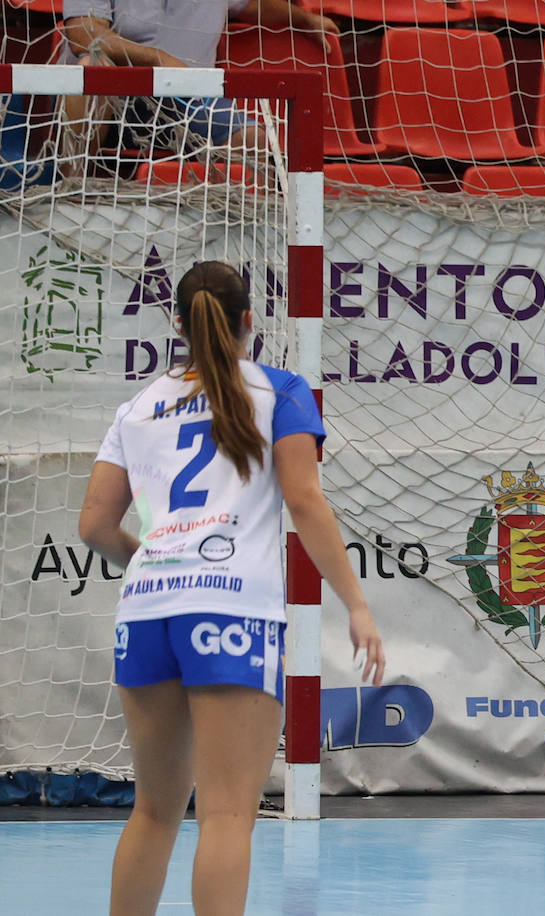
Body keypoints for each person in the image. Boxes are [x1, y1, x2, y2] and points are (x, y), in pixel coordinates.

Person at [79, 260, 385, 916]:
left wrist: (154, 559)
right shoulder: (278, 390)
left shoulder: (137, 406)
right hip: (230, 609)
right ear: (251, 321)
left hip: (147, 611)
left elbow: (95, 525)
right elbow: (304, 500)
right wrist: (357, 605)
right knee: (225, 815)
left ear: (178, 327)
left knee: (155, 812)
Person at [59, 0, 340, 157]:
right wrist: (158, 59)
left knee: (255, 139)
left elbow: (251, 5)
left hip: (191, 101)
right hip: (118, 98)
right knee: (91, 65)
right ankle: (71, 193)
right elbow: (83, 35)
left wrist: (303, 18)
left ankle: (247, 235)